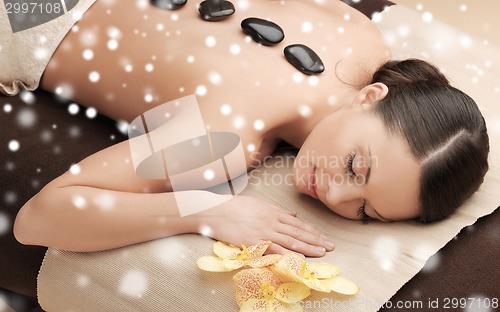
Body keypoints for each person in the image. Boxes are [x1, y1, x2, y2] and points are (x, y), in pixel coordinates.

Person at [9, 0, 489, 261]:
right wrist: (207, 212)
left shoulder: (360, 31)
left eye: (365, 212)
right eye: (355, 165)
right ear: (372, 97)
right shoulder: (229, 140)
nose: (336, 194)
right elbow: (40, 219)